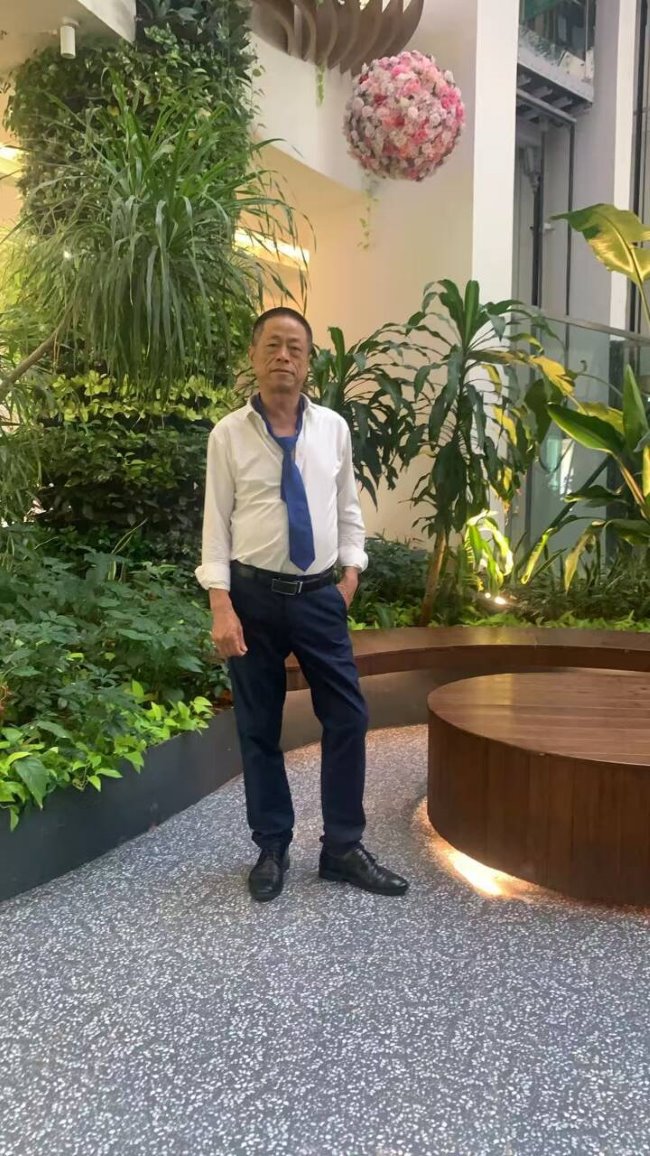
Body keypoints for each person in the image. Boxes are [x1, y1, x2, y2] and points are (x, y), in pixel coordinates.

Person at [196, 306, 409, 903]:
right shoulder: (228, 434)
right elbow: (216, 525)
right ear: (253, 356)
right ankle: (272, 845)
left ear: (309, 361)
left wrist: (351, 574)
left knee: (348, 716)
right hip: (252, 598)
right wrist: (221, 604)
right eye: (272, 345)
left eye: (294, 347)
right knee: (258, 726)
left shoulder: (333, 429)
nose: (283, 357)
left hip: (319, 597)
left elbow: (348, 508)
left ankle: (342, 847)